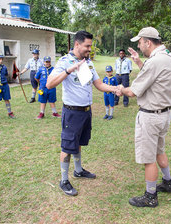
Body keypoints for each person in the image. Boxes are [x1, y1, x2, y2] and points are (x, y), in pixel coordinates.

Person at [46, 31, 118, 196]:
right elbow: (49, 84)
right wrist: (68, 71)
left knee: (78, 142)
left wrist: (115, 88)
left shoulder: (89, 63)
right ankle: (64, 180)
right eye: (87, 46)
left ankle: (78, 170)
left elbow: (98, 84)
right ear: (77, 44)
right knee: (67, 146)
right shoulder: (64, 62)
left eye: (90, 46)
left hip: (86, 111)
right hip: (72, 112)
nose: (89, 49)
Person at [116, 27, 171, 207]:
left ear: (148, 42)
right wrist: (138, 63)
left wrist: (120, 89)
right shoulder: (169, 57)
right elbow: (156, 78)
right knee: (159, 149)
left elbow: (134, 91)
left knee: (149, 158)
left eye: (140, 41)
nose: (139, 45)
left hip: (150, 116)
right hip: (164, 114)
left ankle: (150, 196)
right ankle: (168, 181)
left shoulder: (154, 62)